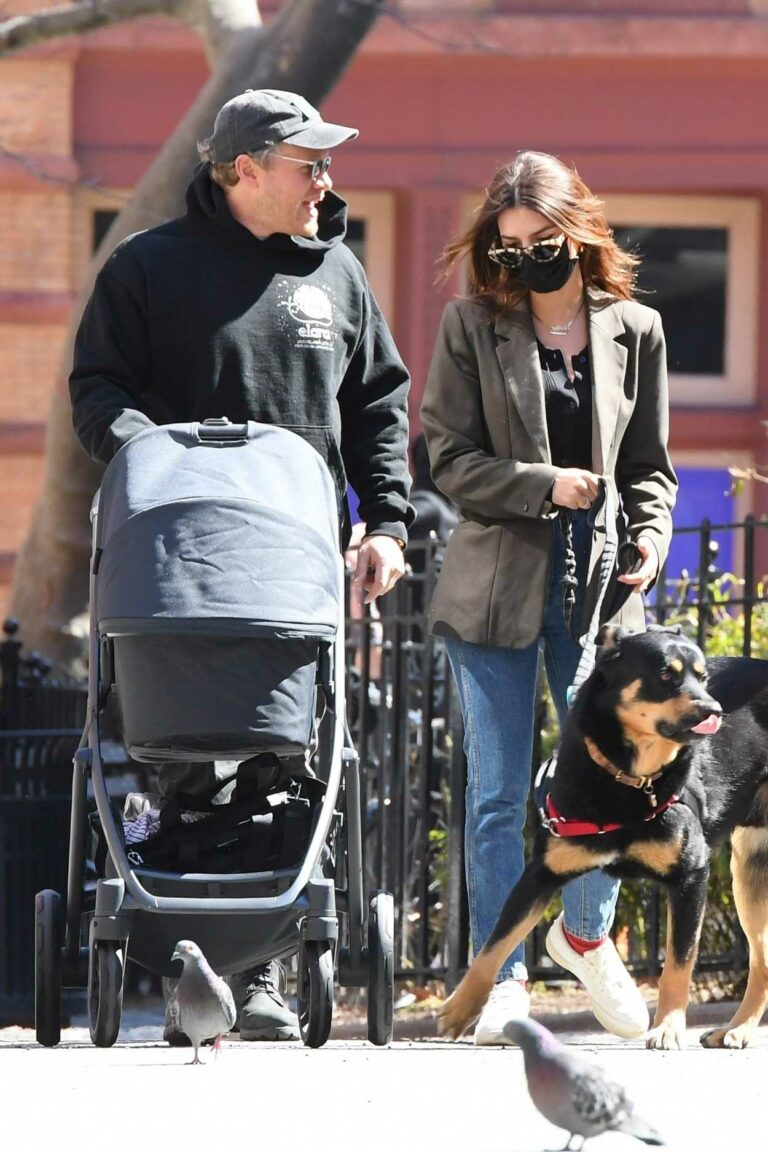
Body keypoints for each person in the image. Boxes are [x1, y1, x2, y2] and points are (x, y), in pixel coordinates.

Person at [69, 88, 414, 1043]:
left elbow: (379, 408)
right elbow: (96, 390)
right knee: (177, 750)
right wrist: (156, 458)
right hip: (173, 567)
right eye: (310, 164)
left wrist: (386, 523)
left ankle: (259, 971)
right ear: (245, 169)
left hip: (294, 571)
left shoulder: (337, 273)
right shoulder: (146, 267)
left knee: (283, 754)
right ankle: (183, 951)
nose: (327, 182)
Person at [420, 150, 677, 1045]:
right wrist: (543, 484)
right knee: (497, 796)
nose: (524, 257)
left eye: (541, 241)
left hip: (601, 596)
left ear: (577, 231)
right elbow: (448, 459)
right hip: (493, 594)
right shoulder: (470, 327)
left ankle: (585, 936)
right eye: (509, 244)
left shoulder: (636, 328)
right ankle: (504, 976)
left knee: (613, 783)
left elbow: (650, 468)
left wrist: (650, 534)